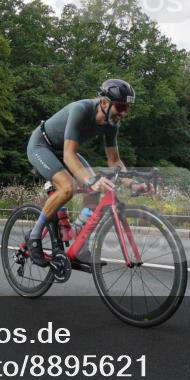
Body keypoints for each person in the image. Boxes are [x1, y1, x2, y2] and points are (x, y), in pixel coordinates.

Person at [24, 79, 144, 266]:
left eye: (127, 108)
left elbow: (114, 161)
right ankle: (33, 236)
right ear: (104, 102)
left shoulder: (111, 123)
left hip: (63, 150)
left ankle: (80, 244)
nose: (124, 113)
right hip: (41, 145)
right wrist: (90, 181)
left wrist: (132, 182)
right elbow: (69, 155)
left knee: (95, 191)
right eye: (121, 107)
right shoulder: (81, 110)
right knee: (67, 188)